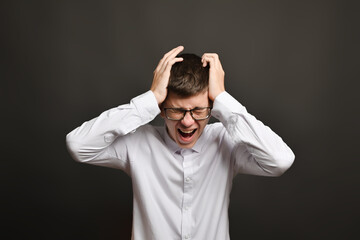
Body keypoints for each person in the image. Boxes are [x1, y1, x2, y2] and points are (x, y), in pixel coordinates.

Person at [66, 46, 295, 240]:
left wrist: (224, 99)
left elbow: (280, 160)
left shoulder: (225, 141)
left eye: (198, 110)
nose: (187, 122)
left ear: (212, 107)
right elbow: (78, 145)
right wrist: (150, 99)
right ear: (161, 109)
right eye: (176, 110)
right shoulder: (137, 144)